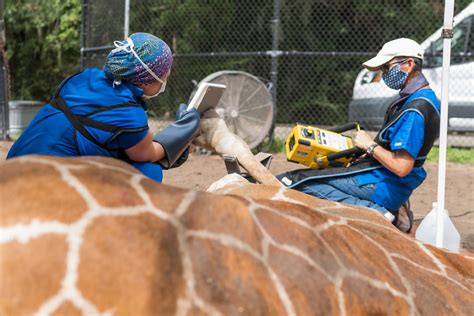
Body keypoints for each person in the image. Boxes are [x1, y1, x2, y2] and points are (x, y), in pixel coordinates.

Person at [280, 38, 440, 233]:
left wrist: (370, 146)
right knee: (312, 173)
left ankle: (378, 213)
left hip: (385, 183)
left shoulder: (415, 110)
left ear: (409, 64)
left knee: (298, 183)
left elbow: (402, 166)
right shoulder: (423, 98)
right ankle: (394, 208)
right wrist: (371, 151)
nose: (384, 74)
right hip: (384, 176)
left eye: (387, 67)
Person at [7, 32, 200, 183]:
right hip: (41, 177)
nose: (166, 79)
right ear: (148, 81)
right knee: (149, 172)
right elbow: (146, 154)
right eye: (165, 75)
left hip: (14, 163)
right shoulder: (128, 111)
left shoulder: (84, 77)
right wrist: (184, 132)